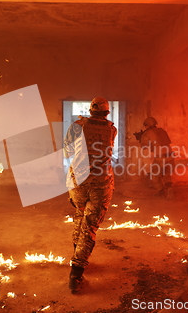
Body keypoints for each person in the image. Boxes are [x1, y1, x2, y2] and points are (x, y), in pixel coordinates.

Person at [63, 97, 117, 294]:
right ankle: (76, 272)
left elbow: (68, 151)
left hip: (77, 181)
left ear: (90, 110)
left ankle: (78, 253)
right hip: (100, 183)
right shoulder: (112, 129)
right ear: (106, 112)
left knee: (80, 213)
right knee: (90, 225)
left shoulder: (77, 125)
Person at [138, 117, 175, 200]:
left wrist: (141, 139)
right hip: (170, 157)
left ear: (147, 125)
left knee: (153, 176)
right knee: (166, 175)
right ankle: (170, 189)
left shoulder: (147, 133)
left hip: (160, 158)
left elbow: (144, 147)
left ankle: (161, 191)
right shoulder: (162, 130)